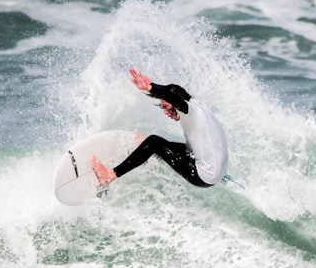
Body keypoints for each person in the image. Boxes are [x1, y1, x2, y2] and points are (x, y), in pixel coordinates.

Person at [91, 68, 228, 189]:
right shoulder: (200, 106)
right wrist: (158, 92)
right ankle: (148, 151)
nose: (166, 112)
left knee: (154, 142)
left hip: (203, 177)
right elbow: (174, 96)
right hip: (217, 171)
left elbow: (175, 99)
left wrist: (151, 87)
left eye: (167, 107)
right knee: (171, 146)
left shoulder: (190, 111)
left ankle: (109, 175)